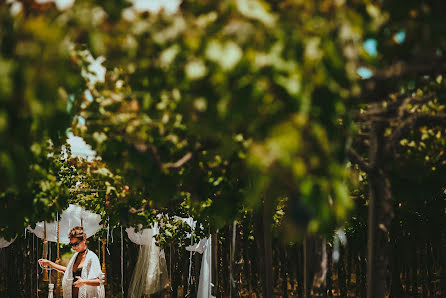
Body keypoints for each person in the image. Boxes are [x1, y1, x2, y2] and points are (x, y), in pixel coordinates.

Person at [38, 226, 105, 298]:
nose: (74, 247)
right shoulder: (75, 256)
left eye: (76, 244)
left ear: (84, 240)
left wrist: (83, 282)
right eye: (71, 244)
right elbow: (68, 271)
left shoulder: (92, 257)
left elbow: (100, 281)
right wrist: (49, 263)